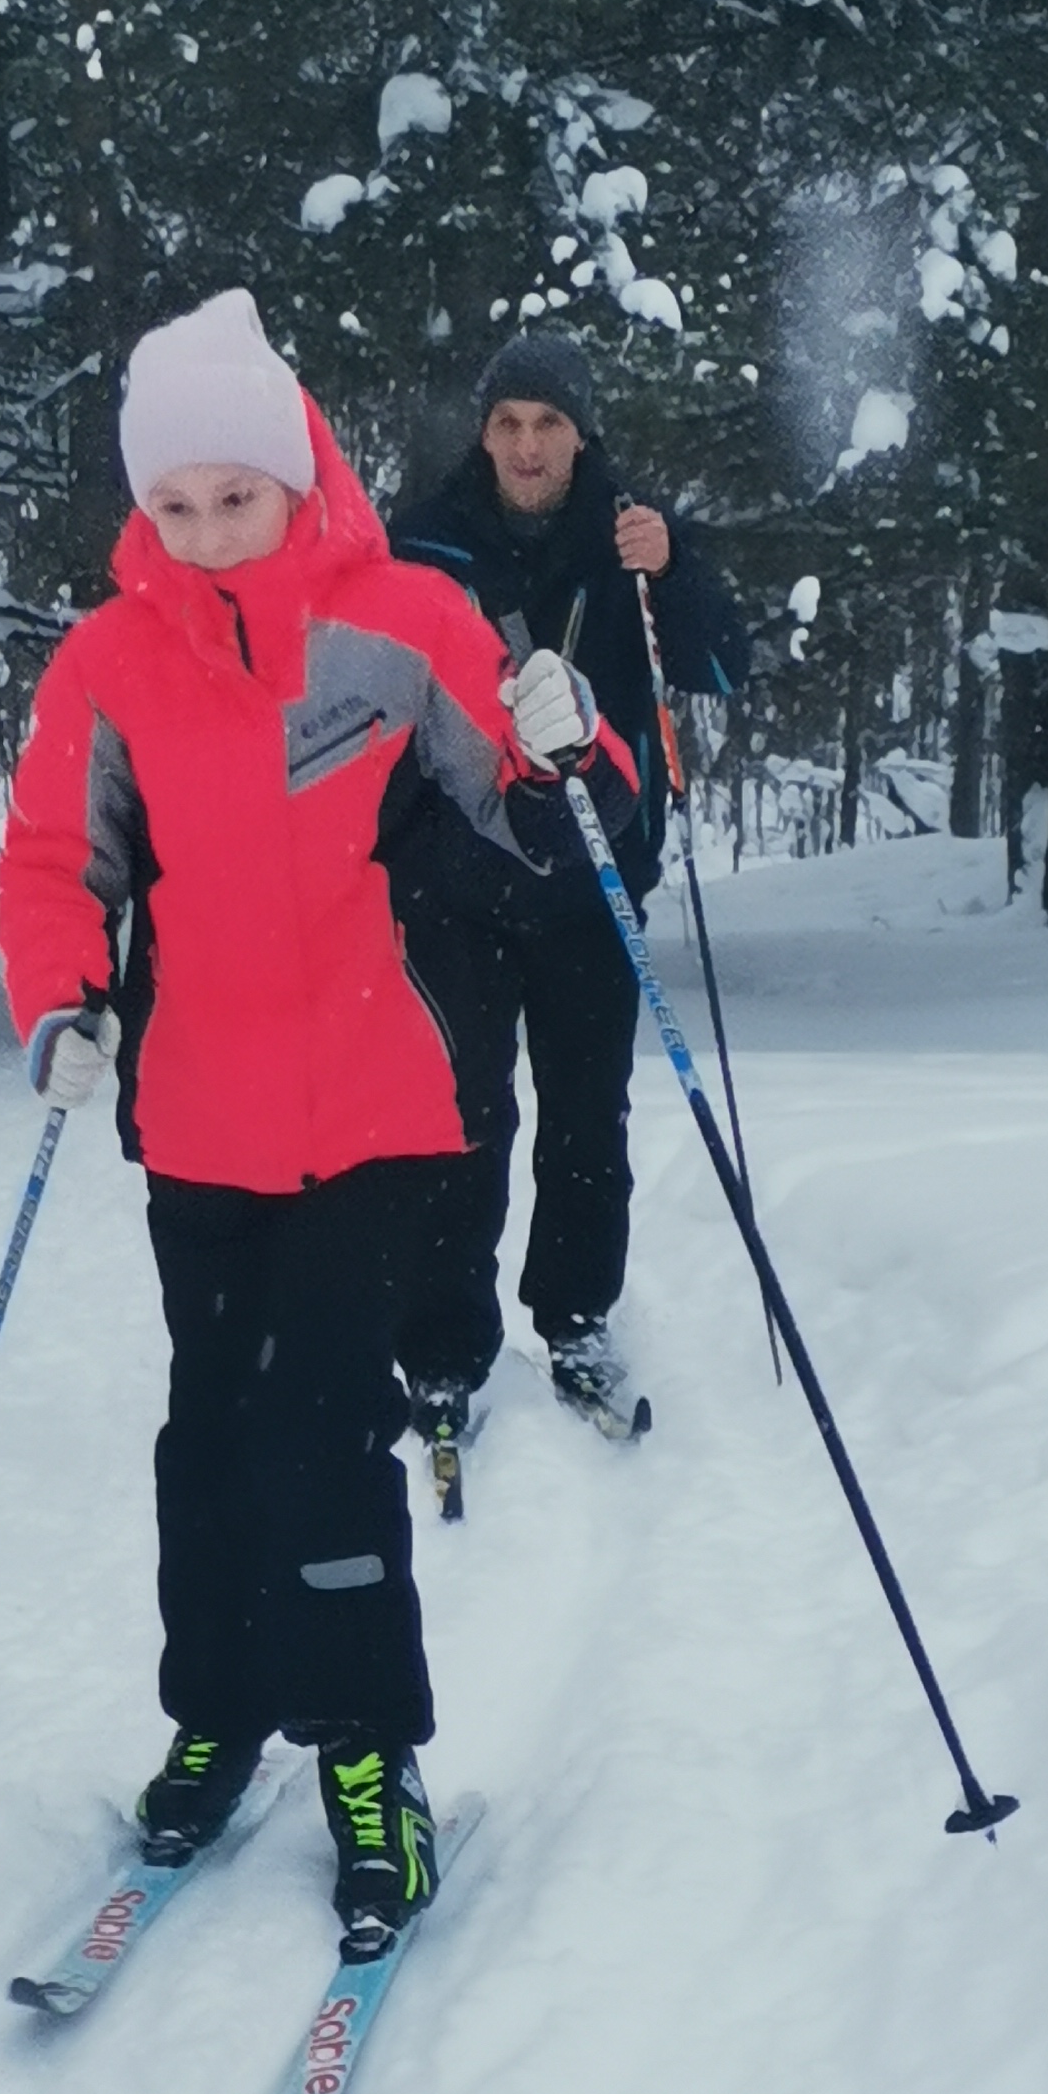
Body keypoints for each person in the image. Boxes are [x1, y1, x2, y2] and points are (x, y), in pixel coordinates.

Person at [0, 293, 637, 1955]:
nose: (206, 531)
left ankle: (366, 1752)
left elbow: (532, 800)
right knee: (206, 1436)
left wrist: (576, 747)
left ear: (296, 475)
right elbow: (64, 857)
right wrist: (65, 997)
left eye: (235, 493)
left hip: (372, 1110)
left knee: (327, 1439)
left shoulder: (403, 619)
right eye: (172, 504)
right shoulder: (111, 661)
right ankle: (218, 1710)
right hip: (200, 1118)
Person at [386, 332, 752, 1466]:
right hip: (459, 881)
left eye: (549, 425)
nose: (529, 446)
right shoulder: (425, 540)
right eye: (509, 424)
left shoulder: (631, 537)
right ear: (483, 432)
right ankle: (445, 1342)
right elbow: (377, 693)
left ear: (580, 432)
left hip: (599, 875)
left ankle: (577, 1320)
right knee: (461, 1119)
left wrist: (680, 562)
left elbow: (724, 668)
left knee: (588, 1117)